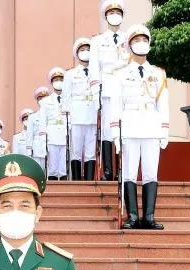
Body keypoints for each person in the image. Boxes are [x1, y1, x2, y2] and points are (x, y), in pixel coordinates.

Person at [112, 24, 169, 230]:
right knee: (128, 172)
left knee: (150, 172)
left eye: (144, 40)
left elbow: (163, 103)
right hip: (129, 125)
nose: (141, 44)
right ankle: (133, 216)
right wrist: (115, 133)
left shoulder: (158, 73)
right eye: (136, 41)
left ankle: (149, 217)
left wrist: (164, 130)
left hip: (152, 125)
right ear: (129, 46)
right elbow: (115, 104)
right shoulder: (120, 74)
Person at [89, 0, 130, 181]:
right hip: (105, 91)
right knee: (107, 131)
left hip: (125, 89)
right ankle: (108, 170)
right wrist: (95, 92)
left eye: (118, 12)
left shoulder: (129, 38)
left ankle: (123, 169)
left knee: (124, 128)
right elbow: (93, 68)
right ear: (106, 16)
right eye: (111, 12)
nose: (115, 15)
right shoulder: (97, 41)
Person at [62, 37, 100, 181]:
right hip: (76, 116)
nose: (86, 52)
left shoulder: (97, 73)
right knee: (76, 150)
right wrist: (67, 117)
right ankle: (77, 181)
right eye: (82, 50)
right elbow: (66, 96)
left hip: (91, 114)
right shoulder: (70, 74)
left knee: (90, 150)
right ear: (76, 54)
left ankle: (90, 182)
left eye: (88, 49)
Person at [45, 68, 68, 180]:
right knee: (53, 163)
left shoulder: (69, 98)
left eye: (61, 79)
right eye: (56, 80)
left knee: (64, 163)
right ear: (52, 83)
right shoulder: (45, 101)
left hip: (65, 132)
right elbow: (43, 121)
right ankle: (53, 182)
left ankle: (64, 180)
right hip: (52, 133)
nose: (59, 82)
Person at [26, 87, 50, 168]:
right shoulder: (32, 117)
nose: (43, 100)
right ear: (38, 101)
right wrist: (29, 151)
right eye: (41, 98)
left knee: (51, 173)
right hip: (38, 148)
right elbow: (29, 135)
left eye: (45, 98)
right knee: (39, 171)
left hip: (51, 145)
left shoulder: (52, 114)